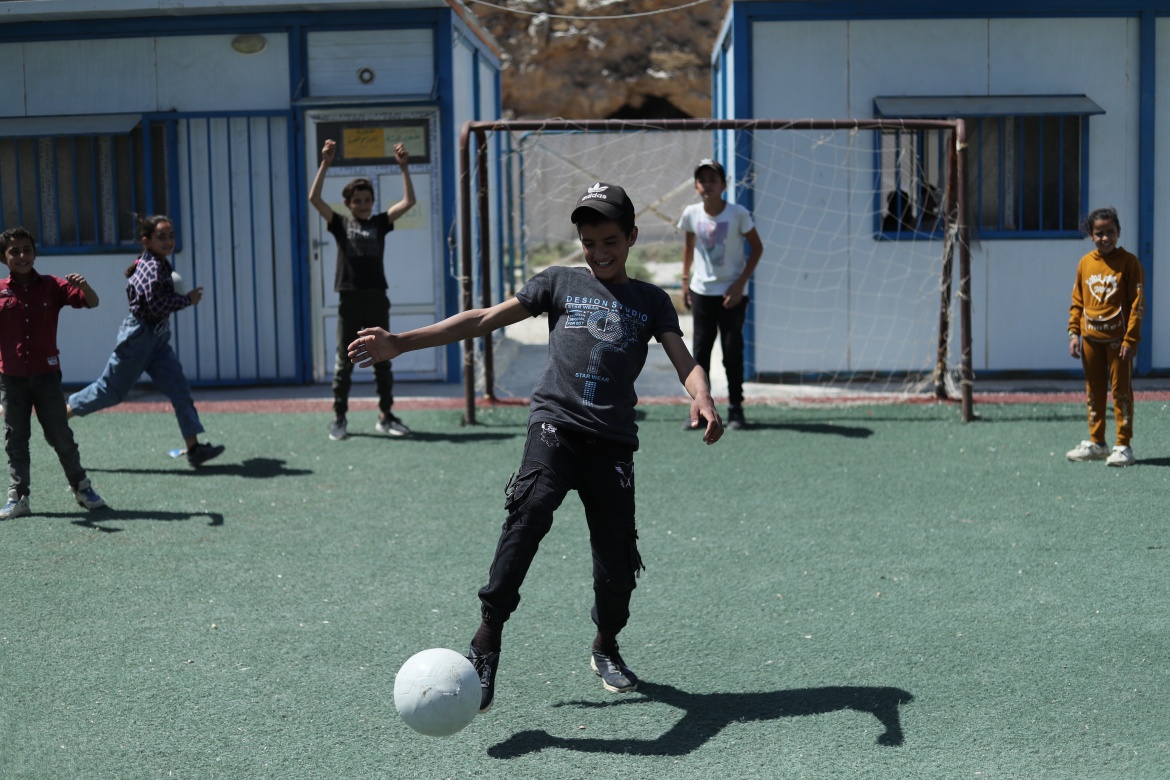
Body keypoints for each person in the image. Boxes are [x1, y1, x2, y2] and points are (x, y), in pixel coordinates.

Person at [348, 181, 724, 711]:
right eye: (589, 241)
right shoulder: (559, 283)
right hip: (556, 426)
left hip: (612, 445)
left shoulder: (651, 301)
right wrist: (401, 343)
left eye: (611, 239)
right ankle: (487, 638)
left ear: (633, 236)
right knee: (529, 511)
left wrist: (702, 396)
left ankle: (606, 643)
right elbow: (481, 319)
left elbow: (683, 358)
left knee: (617, 568)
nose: (600, 251)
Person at [66, 215, 225, 468]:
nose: (169, 241)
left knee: (179, 389)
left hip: (157, 340)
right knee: (109, 392)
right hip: (139, 338)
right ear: (146, 241)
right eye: (161, 237)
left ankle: (194, 448)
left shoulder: (160, 263)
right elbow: (153, 305)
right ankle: (59, 418)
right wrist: (188, 300)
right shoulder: (150, 267)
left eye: (171, 236)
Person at [309, 138, 416, 441]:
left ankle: (386, 415)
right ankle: (340, 417)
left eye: (367, 200)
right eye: (357, 201)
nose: (363, 205)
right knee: (345, 360)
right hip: (349, 298)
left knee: (383, 356)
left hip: (376, 299)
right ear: (348, 204)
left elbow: (408, 203)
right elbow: (314, 198)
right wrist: (326, 163)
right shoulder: (340, 224)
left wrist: (404, 167)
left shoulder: (381, 222)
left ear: (372, 201)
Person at [0, 227, 106, 519]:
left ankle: (81, 487)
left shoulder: (52, 285)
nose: (22, 256)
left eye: (27, 249)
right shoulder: (0, 291)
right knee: (15, 439)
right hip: (11, 379)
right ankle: (18, 497)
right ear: (3, 257)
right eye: (14, 251)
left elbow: (92, 302)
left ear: (35, 253)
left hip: (47, 376)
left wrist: (84, 287)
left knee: (60, 434)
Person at [678, 158, 764, 430]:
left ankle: (736, 409)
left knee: (732, 350)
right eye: (702, 180)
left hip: (732, 294)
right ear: (695, 186)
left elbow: (757, 248)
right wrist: (684, 281)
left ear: (724, 185)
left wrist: (739, 285)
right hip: (702, 291)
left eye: (713, 179)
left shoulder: (738, 213)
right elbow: (689, 248)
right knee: (701, 351)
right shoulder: (692, 213)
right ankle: (701, 410)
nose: (707, 185)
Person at [1066, 207, 1144, 467]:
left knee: (1121, 392)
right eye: (1099, 233)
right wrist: (1074, 333)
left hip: (1118, 343)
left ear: (1118, 232)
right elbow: (1077, 301)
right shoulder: (1085, 263)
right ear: (1091, 235)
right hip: (1090, 341)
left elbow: (1137, 305)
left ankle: (1123, 445)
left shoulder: (1129, 263)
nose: (1105, 238)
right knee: (1094, 391)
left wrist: (1130, 339)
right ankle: (1097, 442)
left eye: (1110, 232)